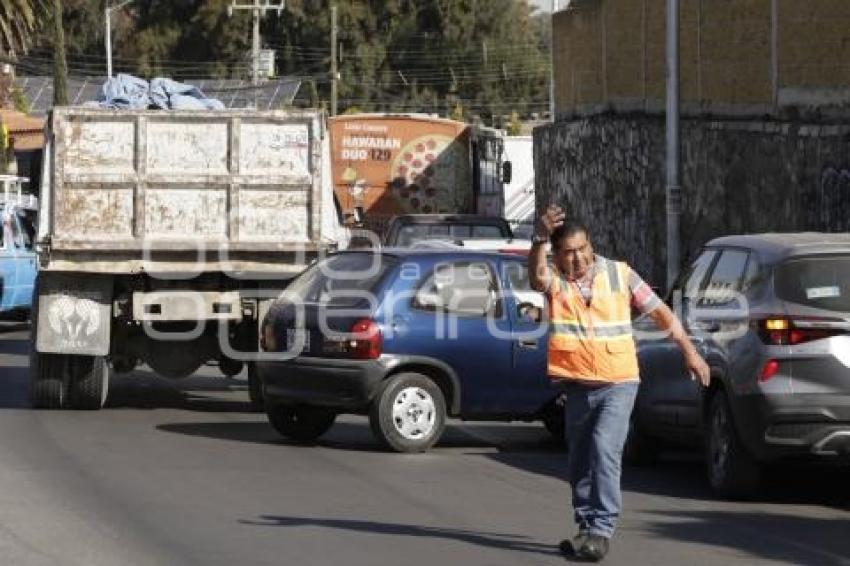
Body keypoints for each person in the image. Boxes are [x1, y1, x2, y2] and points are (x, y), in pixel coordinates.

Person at [528, 204, 710, 562]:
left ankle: (601, 530)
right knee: (579, 458)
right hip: (578, 384)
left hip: (619, 381)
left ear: (591, 246)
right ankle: (585, 525)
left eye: (583, 249)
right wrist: (538, 240)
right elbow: (536, 279)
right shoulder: (556, 282)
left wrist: (690, 352)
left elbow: (660, 311)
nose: (578, 258)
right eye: (569, 252)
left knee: (604, 448)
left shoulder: (619, 275)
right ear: (558, 256)